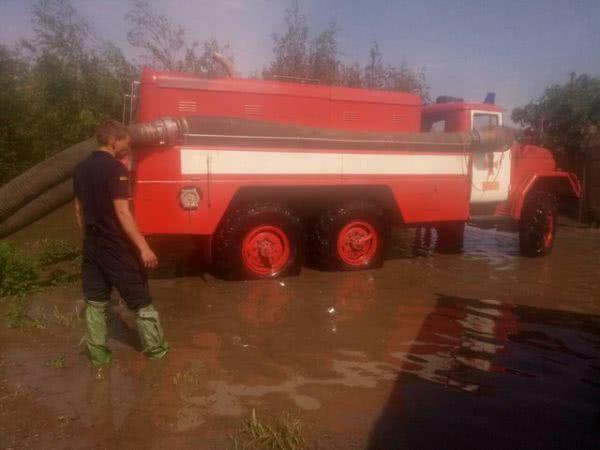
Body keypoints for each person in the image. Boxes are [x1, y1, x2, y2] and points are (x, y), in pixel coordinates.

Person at [73, 120, 169, 366]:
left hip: (92, 244)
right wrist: (144, 247)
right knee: (140, 298)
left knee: (95, 300)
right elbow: (123, 213)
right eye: (126, 142)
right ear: (113, 140)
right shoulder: (116, 169)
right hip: (115, 244)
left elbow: (78, 210)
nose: (128, 147)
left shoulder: (81, 168)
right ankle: (157, 353)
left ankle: (98, 357)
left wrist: (89, 241)